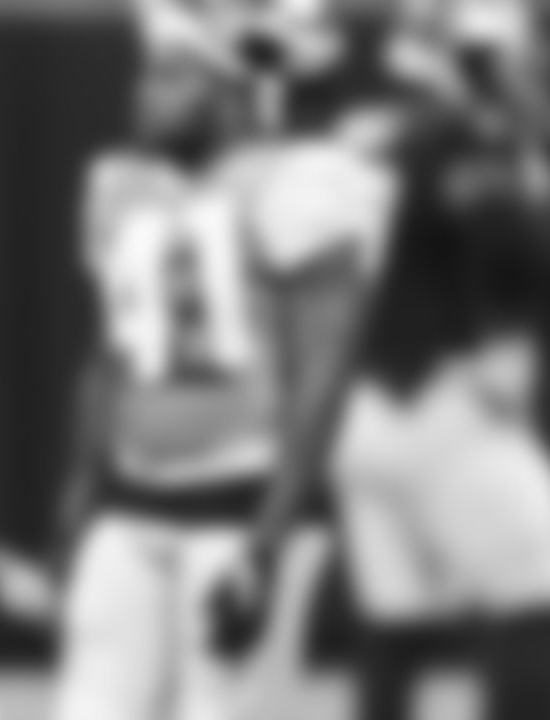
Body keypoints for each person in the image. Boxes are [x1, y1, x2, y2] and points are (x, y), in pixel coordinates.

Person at [211, 3, 550, 720]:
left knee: (400, 623)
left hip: (368, 417)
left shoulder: (358, 147)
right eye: (524, 54)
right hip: (438, 395)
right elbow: (544, 248)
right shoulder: (453, 142)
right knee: (538, 590)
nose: (544, 65)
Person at [48, 2, 377, 719]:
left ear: (230, 91)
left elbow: (323, 373)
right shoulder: (120, 186)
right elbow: (108, 356)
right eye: (147, 74)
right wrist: (80, 490)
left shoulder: (300, 183)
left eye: (173, 76)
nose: (145, 92)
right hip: (132, 499)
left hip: (242, 503)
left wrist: (269, 542)